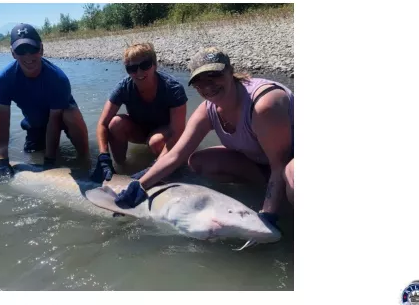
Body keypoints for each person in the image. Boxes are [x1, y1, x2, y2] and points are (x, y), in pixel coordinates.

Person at [113, 47, 294, 228]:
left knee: (293, 175)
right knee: (199, 161)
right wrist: (139, 184)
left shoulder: (264, 105)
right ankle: (271, 191)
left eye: (214, 75)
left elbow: (280, 164)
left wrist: (267, 216)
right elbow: (176, 155)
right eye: (199, 81)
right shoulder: (208, 110)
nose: (207, 86)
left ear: (230, 71)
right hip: (264, 163)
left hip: (288, 162)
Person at [0, 23, 90, 177]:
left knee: (70, 115)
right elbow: (2, 121)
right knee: (32, 155)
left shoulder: (58, 78)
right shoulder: (4, 79)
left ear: (42, 49)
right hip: (35, 123)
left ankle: (86, 159)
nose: (28, 56)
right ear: (13, 53)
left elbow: (54, 120)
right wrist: (2, 160)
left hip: (60, 116)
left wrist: (50, 161)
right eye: (21, 51)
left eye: (33, 49)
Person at [90, 43, 188, 182]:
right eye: (132, 68)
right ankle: (118, 170)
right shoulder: (124, 87)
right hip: (140, 131)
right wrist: (103, 157)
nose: (139, 72)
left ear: (154, 65)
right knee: (115, 123)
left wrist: (154, 169)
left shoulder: (173, 88)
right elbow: (102, 123)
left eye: (145, 65)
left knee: (156, 142)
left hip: (165, 133)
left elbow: (178, 132)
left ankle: (167, 170)